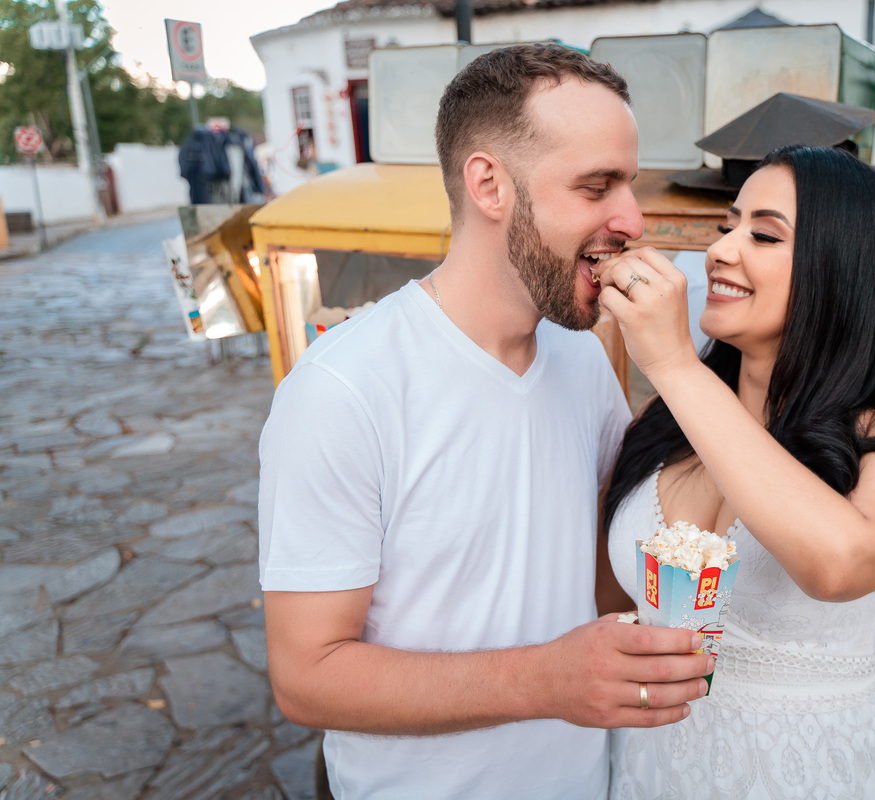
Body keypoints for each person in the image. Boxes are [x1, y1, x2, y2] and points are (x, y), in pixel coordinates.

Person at [257, 44, 713, 800]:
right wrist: (545, 681)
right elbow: (307, 678)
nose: (632, 219)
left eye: (627, 185)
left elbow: (602, 585)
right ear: (489, 184)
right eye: (597, 186)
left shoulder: (585, 363)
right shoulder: (342, 390)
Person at [595, 145, 875, 799]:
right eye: (726, 226)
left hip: (810, 773)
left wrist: (675, 363)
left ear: (837, 266)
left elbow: (839, 564)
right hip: (650, 765)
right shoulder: (670, 422)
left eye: (762, 234)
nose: (722, 250)